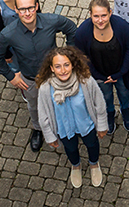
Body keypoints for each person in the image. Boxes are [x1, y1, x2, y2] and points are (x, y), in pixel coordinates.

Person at [0, 0, 77, 153]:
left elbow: (71, 28)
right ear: (16, 10)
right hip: (30, 80)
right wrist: (10, 76)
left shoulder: (51, 21)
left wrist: (69, 55)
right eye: (22, 9)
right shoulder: (9, 33)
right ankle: (38, 129)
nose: (27, 13)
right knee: (34, 106)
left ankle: (66, 126)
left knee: (64, 100)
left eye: (30, 8)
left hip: (56, 77)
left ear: (36, 7)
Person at [34, 46, 107, 188]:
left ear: (73, 64)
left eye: (66, 65)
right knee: (71, 149)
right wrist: (49, 136)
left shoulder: (86, 81)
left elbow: (100, 103)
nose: (63, 70)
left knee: (92, 145)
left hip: (86, 126)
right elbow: (43, 115)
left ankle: (94, 163)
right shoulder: (45, 88)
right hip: (64, 130)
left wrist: (102, 125)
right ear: (52, 68)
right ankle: (76, 166)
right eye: (58, 66)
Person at [74, 0, 129, 135]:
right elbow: (82, 56)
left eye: (104, 15)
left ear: (110, 13)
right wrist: (98, 75)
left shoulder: (122, 26)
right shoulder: (82, 32)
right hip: (99, 74)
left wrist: (121, 72)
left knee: (124, 93)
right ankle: (109, 114)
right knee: (105, 97)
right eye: (96, 16)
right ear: (90, 15)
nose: (100, 20)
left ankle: (125, 110)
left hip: (121, 72)